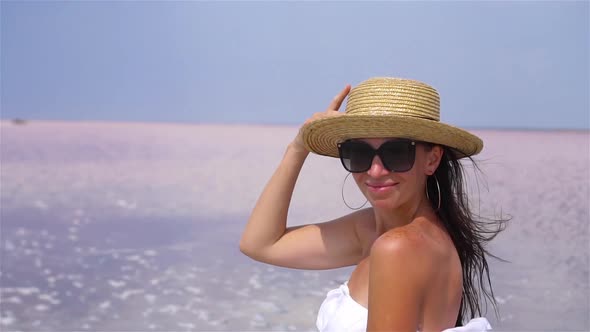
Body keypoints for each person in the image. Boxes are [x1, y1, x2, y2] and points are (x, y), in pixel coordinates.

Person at [240, 77, 506, 331]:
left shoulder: (398, 247)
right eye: (359, 154)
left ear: (432, 160)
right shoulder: (373, 229)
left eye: (396, 153)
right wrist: (298, 147)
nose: (375, 171)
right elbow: (261, 244)